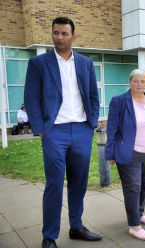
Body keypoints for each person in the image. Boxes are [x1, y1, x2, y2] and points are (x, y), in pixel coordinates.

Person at [24, 17, 101, 248]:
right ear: (52, 34)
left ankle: (76, 227)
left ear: (73, 36)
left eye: (65, 33)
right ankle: (49, 236)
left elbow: (93, 96)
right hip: (53, 132)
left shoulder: (86, 63)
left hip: (81, 130)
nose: (60, 37)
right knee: (55, 184)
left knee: (79, 183)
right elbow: (31, 98)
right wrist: (40, 130)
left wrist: (92, 124)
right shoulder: (39, 63)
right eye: (56, 32)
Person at [105, 69, 145, 241]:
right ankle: (134, 226)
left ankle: (139, 214)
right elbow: (112, 128)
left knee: (144, 186)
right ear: (130, 82)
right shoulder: (119, 101)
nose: (139, 84)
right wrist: (111, 153)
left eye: (142, 81)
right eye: (136, 81)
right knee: (133, 188)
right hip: (129, 152)